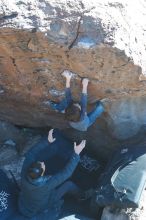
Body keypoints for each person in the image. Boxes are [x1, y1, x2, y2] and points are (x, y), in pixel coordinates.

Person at [18, 129, 86, 219]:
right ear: (41, 173)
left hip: (25, 201)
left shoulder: (25, 171)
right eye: (42, 165)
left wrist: (47, 141)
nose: (42, 163)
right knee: (68, 185)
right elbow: (66, 173)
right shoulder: (45, 185)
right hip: (44, 204)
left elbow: (31, 153)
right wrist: (76, 154)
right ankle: (82, 197)